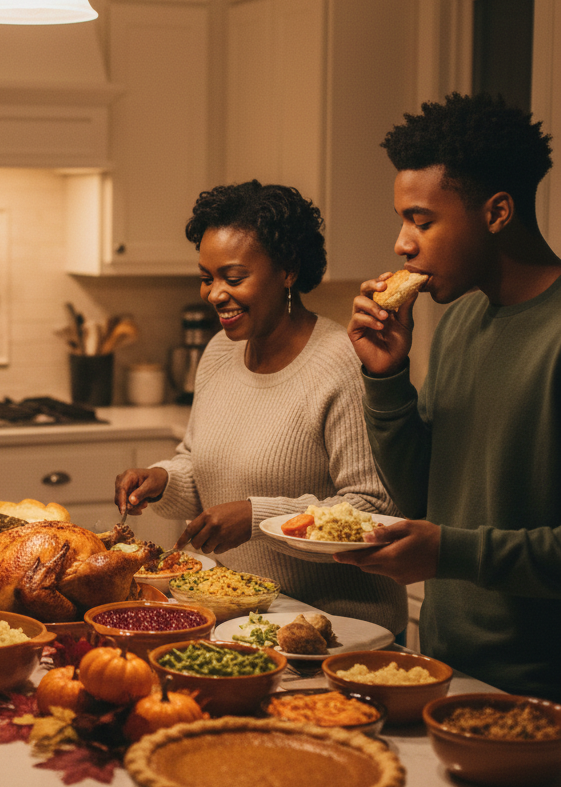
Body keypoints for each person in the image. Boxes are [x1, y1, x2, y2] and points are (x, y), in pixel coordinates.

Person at [339, 92, 560, 699]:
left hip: (538, 690)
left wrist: (451, 552)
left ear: (496, 212)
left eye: (422, 220)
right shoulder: (460, 322)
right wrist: (387, 377)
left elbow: (450, 542)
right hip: (442, 666)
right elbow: (420, 495)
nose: (402, 244)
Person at [115, 180, 407, 633]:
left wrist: (258, 517)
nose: (214, 294)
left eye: (233, 278)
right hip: (243, 617)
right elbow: (203, 469)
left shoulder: (342, 362)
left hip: (338, 625)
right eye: (207, 278)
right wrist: (162, 479)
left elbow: (370, 508)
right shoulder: (218, 353)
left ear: (288, 271)